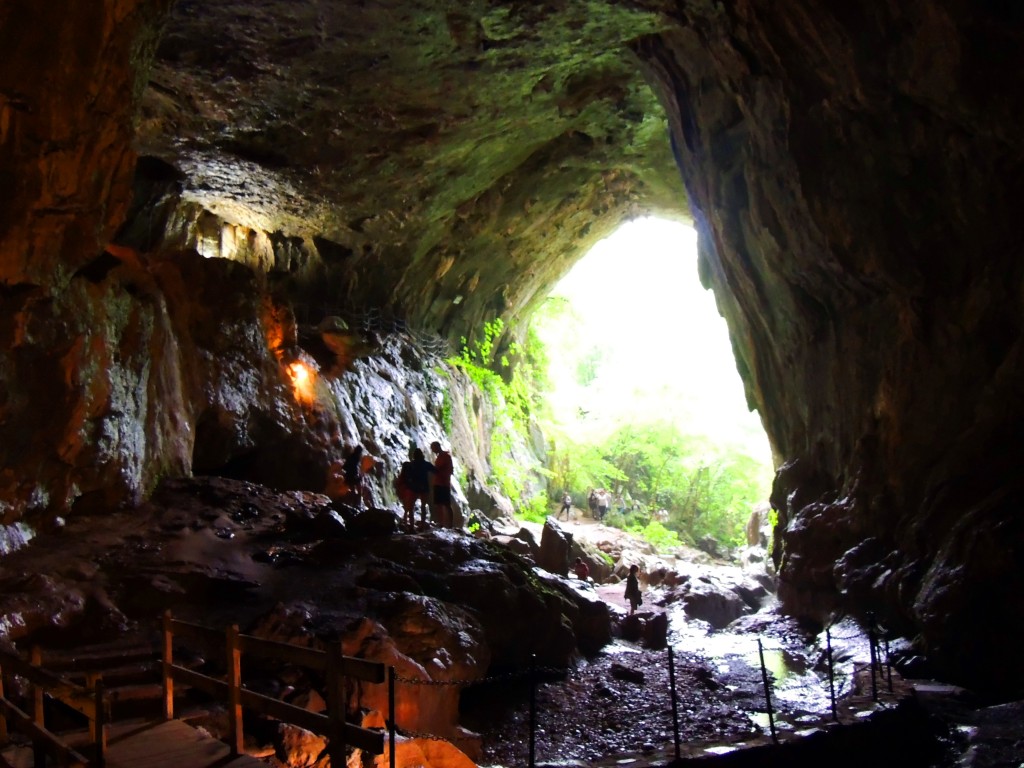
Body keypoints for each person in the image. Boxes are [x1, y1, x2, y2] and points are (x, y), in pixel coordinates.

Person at [404, 448, 435, 528]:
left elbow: (408, 476)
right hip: (424, 486)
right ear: (422, 455)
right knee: (423, 506)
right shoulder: (426, 464)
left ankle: (411, 525)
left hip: (414, 487)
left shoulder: (412, 464)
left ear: (414, 455)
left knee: (411, 507)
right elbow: (435, 471)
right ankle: (422, 524)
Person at [430, 440, 454, 528]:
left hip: (444, 483)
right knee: (438, 504)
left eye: (433, 448)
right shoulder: (439, 457)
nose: (432, 451)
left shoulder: (446, 456)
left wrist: (438, 470)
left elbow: (449, 470)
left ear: (437, 447)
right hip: (438, 482)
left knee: (447, 504)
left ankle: (450, 524)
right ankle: (441, 523)